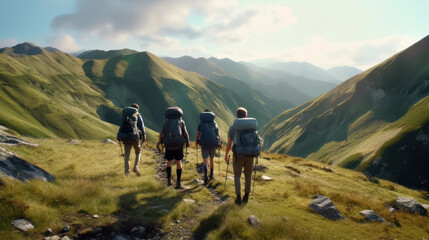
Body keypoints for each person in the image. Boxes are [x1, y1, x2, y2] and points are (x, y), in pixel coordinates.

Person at [225, 107, 261, 204]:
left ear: (237, 115)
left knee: (237, 175)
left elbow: (229, 143)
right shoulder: (251, 128)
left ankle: (238, 197)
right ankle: (246, 196)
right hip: (251, 155)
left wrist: (226, 154)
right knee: (248, 175)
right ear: (245, 116)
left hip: (238, 155)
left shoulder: (233, 128)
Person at [159, 106, 190, 189]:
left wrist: (161, 141)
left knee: (168, 162)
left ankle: (169, 180)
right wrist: (187, 142)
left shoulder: (165, 122)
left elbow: (161, 134)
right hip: (179, 144)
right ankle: (178, 183)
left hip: (169, 144)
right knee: (178, 162)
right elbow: (186, 133)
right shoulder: (181, 121)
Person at [117, 103, 146, 176]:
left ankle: (126, 173)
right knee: (138, 152)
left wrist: (118, 134)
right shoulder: (137, 114)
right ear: (137, 109)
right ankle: (136, 167)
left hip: (125, 136)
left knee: (127, 155)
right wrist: (144, 135)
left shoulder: (125, 115)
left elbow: (122, 125)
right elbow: (141, 126)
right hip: (134, 137)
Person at [195, 110, 221, 185]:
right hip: (213, 144)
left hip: (204, 144)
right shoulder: (214, 123)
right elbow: (218, 134)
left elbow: (198, 134)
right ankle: (211, 175)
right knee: (212, 159)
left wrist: (196, 142)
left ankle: (205, 177)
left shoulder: (201, 123)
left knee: (205, 161)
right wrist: (219, 143)